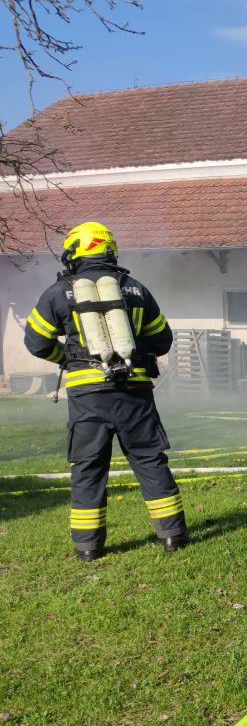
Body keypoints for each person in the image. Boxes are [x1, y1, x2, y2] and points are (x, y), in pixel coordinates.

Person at [24, 221, 188, 561]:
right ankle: (173, 535)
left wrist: (66, 359)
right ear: (109, 251)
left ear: (75, 253)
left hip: (88, 396)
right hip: (135, 392)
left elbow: (36, 342)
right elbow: (162, 341)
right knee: (149, 460)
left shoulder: (59, 292)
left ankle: (89, 547)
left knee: (88, 467)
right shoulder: (136, 289)